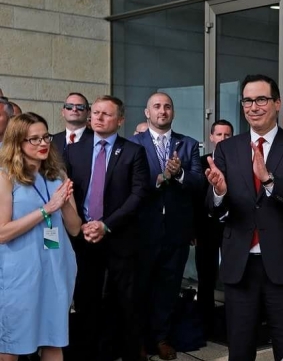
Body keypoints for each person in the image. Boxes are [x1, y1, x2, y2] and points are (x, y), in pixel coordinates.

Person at [204, 74, 283, 361]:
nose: (254, 107)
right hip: (239, 263)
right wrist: (219, 192)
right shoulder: (228, 148)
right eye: (248, 101)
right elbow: (213, 208)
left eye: (261, 99)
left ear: (277, 103)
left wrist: (268, 180)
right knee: (240, 349)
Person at [64, 96, 150, 361]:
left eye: (107, 114)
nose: (98, 118)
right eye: (96, 112)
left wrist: (106, 225)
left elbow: (138, 194)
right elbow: (67, 191)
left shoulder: (132, 151)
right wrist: (82, 225)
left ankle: (127, 353)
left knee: (125, 302)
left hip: (119, 237)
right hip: (83, 238)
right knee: (86, 301)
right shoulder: (74, 150)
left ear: (120, 120)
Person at [0, 112, 81, 360]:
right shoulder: (5, 177)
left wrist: (63, 203)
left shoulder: (58, 174)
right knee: (12, 343)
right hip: (20, 272)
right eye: (34, 139)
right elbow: (2, 232)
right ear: (17, 142)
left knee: (54, 340)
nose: (43, 143)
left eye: (46, 137)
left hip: (56, 268)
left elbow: (75, 228)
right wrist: (47, 208)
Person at [129, 92, 203, 360]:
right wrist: (162, 177)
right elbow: (128, 182)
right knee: (139, 288)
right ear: (147, 112)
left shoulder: (188, 144)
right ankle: (137, 341)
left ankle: (161, 337)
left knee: (169, 287)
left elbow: (198, 182)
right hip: (142, 230)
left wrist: (180, 174)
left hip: (176, 230)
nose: (162, 111)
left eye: (167, 106)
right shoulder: (133, 143)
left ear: (173, 112)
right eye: (157, 106)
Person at [195, 119, 233, 339]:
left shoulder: (237, 162)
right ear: (211, 137)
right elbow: (194, 197)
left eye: (227, 135)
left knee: (233, 276)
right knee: (206, 277)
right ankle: (205, 325)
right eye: (219, 135)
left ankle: (230, 323)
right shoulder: (200, 162)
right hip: (205, 228)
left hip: (231, 227)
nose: (222, 139)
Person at [52, 92, 93, 158]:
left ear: (88, 113)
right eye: (69, 106)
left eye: (80, 107)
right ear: (63, 112)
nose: (74, 109)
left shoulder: (96, 140)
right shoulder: (53, 140)